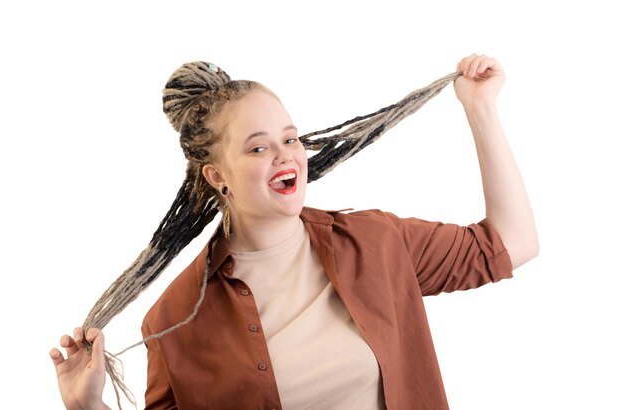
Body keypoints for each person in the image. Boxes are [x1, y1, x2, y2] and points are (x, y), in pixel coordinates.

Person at [49, 54, 538, 409]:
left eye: (290, 138)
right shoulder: (174, 319)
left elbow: (513, 244)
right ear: (217, 177)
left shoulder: (377, 243)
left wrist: (480, 108)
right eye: (258, 148)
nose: (286, 156)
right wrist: (86, 408)